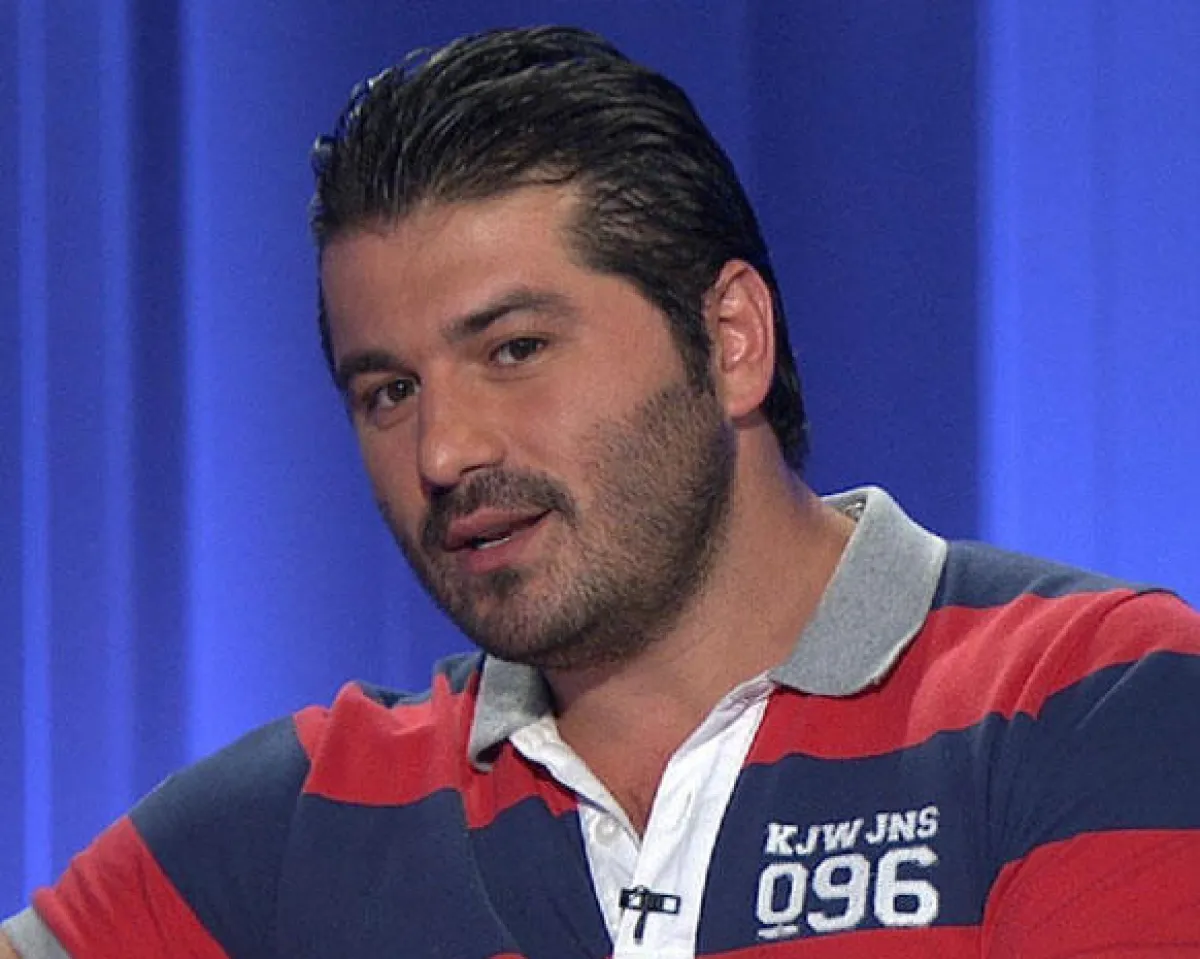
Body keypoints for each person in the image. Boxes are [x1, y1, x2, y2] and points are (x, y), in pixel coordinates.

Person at [4, 24, 1200, 959]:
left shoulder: (1089, 701)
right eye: (388, 389)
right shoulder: (294, 828)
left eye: (514, 348)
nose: (443, 450)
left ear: (730, 339)